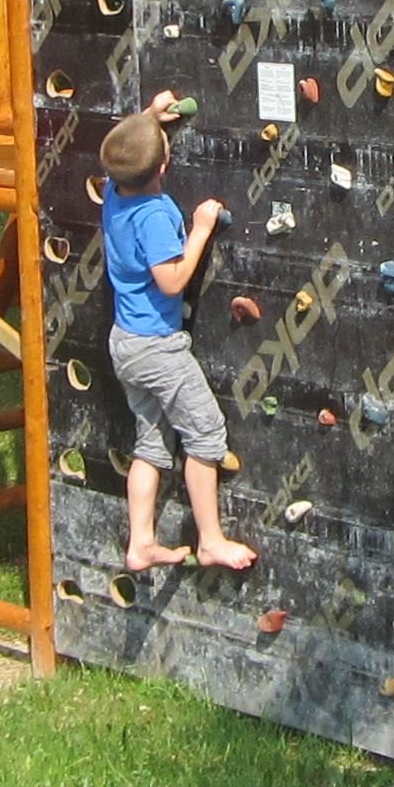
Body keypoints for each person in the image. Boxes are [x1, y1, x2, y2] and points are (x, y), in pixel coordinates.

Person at [99, 94, 255, 573]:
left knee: (151, 442)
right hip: (159, 348)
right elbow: (171, 280)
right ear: (165, 163)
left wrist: (148, 117)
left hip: (125, 342)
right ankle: (210, 539)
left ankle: (141, 542)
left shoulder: (113, 191)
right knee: (205, 436)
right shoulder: (156, 215)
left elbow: (125, 155)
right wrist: (202, 229)